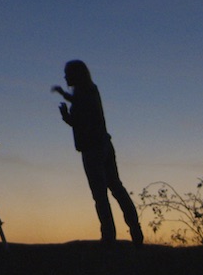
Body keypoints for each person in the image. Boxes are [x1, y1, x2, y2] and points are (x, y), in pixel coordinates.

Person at [54, 59, 144, 245]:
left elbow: (80, 122)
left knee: (100, 194)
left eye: (67, 73)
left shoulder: (84, 94)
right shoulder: (90, 91)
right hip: (104, 145)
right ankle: (134, 229)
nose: (64, 77)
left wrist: (66, 116)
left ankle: (109, 236)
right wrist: (65, 97)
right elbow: (82, 112)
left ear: (76, 75)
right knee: (116, 188)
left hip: (92, 149)